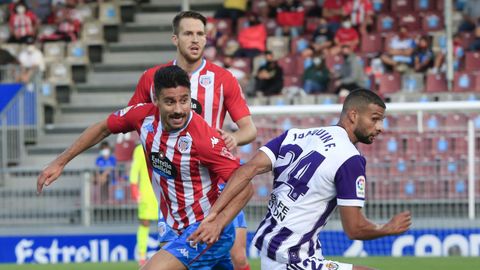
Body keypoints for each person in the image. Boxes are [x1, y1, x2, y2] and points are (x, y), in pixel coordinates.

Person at [37, 66, 254, 270]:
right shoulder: (143, 117)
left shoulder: (204, 139)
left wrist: (218, 223)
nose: (179, 110)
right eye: (170, 102)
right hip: (176, 227)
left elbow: (245, 186)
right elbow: (103, 128)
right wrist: (60, 161)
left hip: (204, 230)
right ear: (156, 100)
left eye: (184, 101)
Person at [189, 89, 412, 270]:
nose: (380, 128)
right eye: (375, 119)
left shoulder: (297, 134)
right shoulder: (351, 159)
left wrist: (214, 216)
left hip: (273, 249)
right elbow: (354, 229)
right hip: (294, 259)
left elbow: (246, 170)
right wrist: (387, 228)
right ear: (353, 115)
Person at [128, 11, 256, 270]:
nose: (195, 39)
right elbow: (133, 119)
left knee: (237, 256)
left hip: (221, 181)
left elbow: (249, 129)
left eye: (200, 34)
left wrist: (233, 137)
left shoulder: (222, 79)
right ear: (175, 38)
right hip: (177, 190)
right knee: (175, 258)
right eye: (188, 33)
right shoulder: (153, 79)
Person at [129, 144, 159, 266]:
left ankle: (166, 254)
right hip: (146, 194)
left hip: (163, 192)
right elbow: (134, 170)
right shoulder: (139, 149)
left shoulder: (162, 143)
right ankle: (142, 256)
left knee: (166, 225)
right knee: (145, 223)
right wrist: (134, 189)